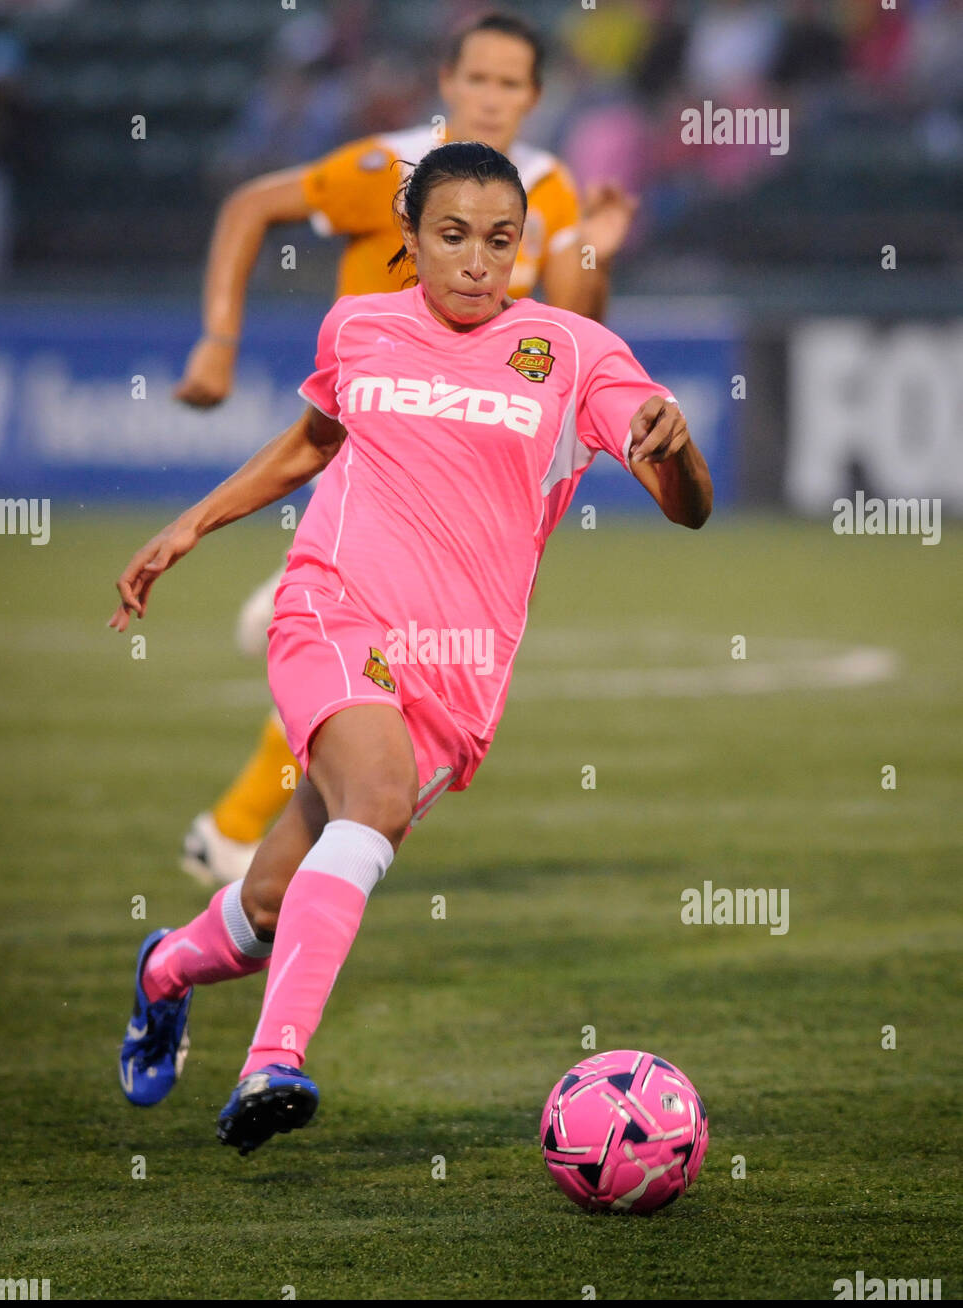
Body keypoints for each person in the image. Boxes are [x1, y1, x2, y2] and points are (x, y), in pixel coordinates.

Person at [110, 141, 711, 1158]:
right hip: (332, 611)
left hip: (456, 678)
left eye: (499, 240)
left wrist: (676, 442)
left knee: (264, 907)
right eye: (451, 236)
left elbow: (686, 509)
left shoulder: (570, 354)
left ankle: (164, 968)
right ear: (408, 240)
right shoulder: (361, 325)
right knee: (375, 799)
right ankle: (273, 1060)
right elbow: (313, 438)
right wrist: (194, 523)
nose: (477, 262)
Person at [172, 10, 639, 887]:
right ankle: (249, 834)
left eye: (512, 85)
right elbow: (249, 206)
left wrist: (595, 255)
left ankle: (242, 833)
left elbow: (576, 339)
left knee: (375, 682)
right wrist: (219, 341)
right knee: (370, 672)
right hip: (373, 463)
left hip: (459, 480)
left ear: (536, 98)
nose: (492, 99)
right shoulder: (385, 167)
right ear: (446, 83)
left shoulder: (549, 191)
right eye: (478, 80)